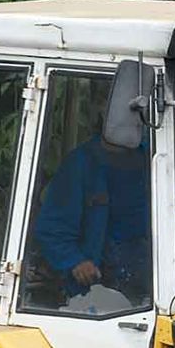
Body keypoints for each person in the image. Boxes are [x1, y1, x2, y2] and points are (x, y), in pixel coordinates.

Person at [32, 128, 152, 306]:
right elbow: (51, 229)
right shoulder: (81, 164)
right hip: (99, 285)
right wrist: (75, 261)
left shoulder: (155, 158)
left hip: (149, 276)